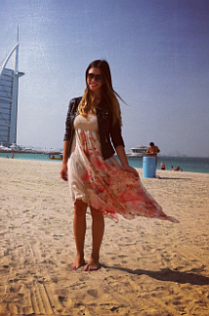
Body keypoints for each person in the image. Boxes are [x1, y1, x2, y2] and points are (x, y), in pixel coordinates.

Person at [60, 60, 178, 272]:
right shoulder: (75, 103)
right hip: (77, 162)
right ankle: (79, 256)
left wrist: (125, 166)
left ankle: (94, 258)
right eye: (89, 75)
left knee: (96, 209)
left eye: (97, 76)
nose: (92, 80)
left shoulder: (109, 107)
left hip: (100, 164)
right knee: (78, 207)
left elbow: (117, 139)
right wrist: (63, 163)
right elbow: (68, 134)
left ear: (105, 79)